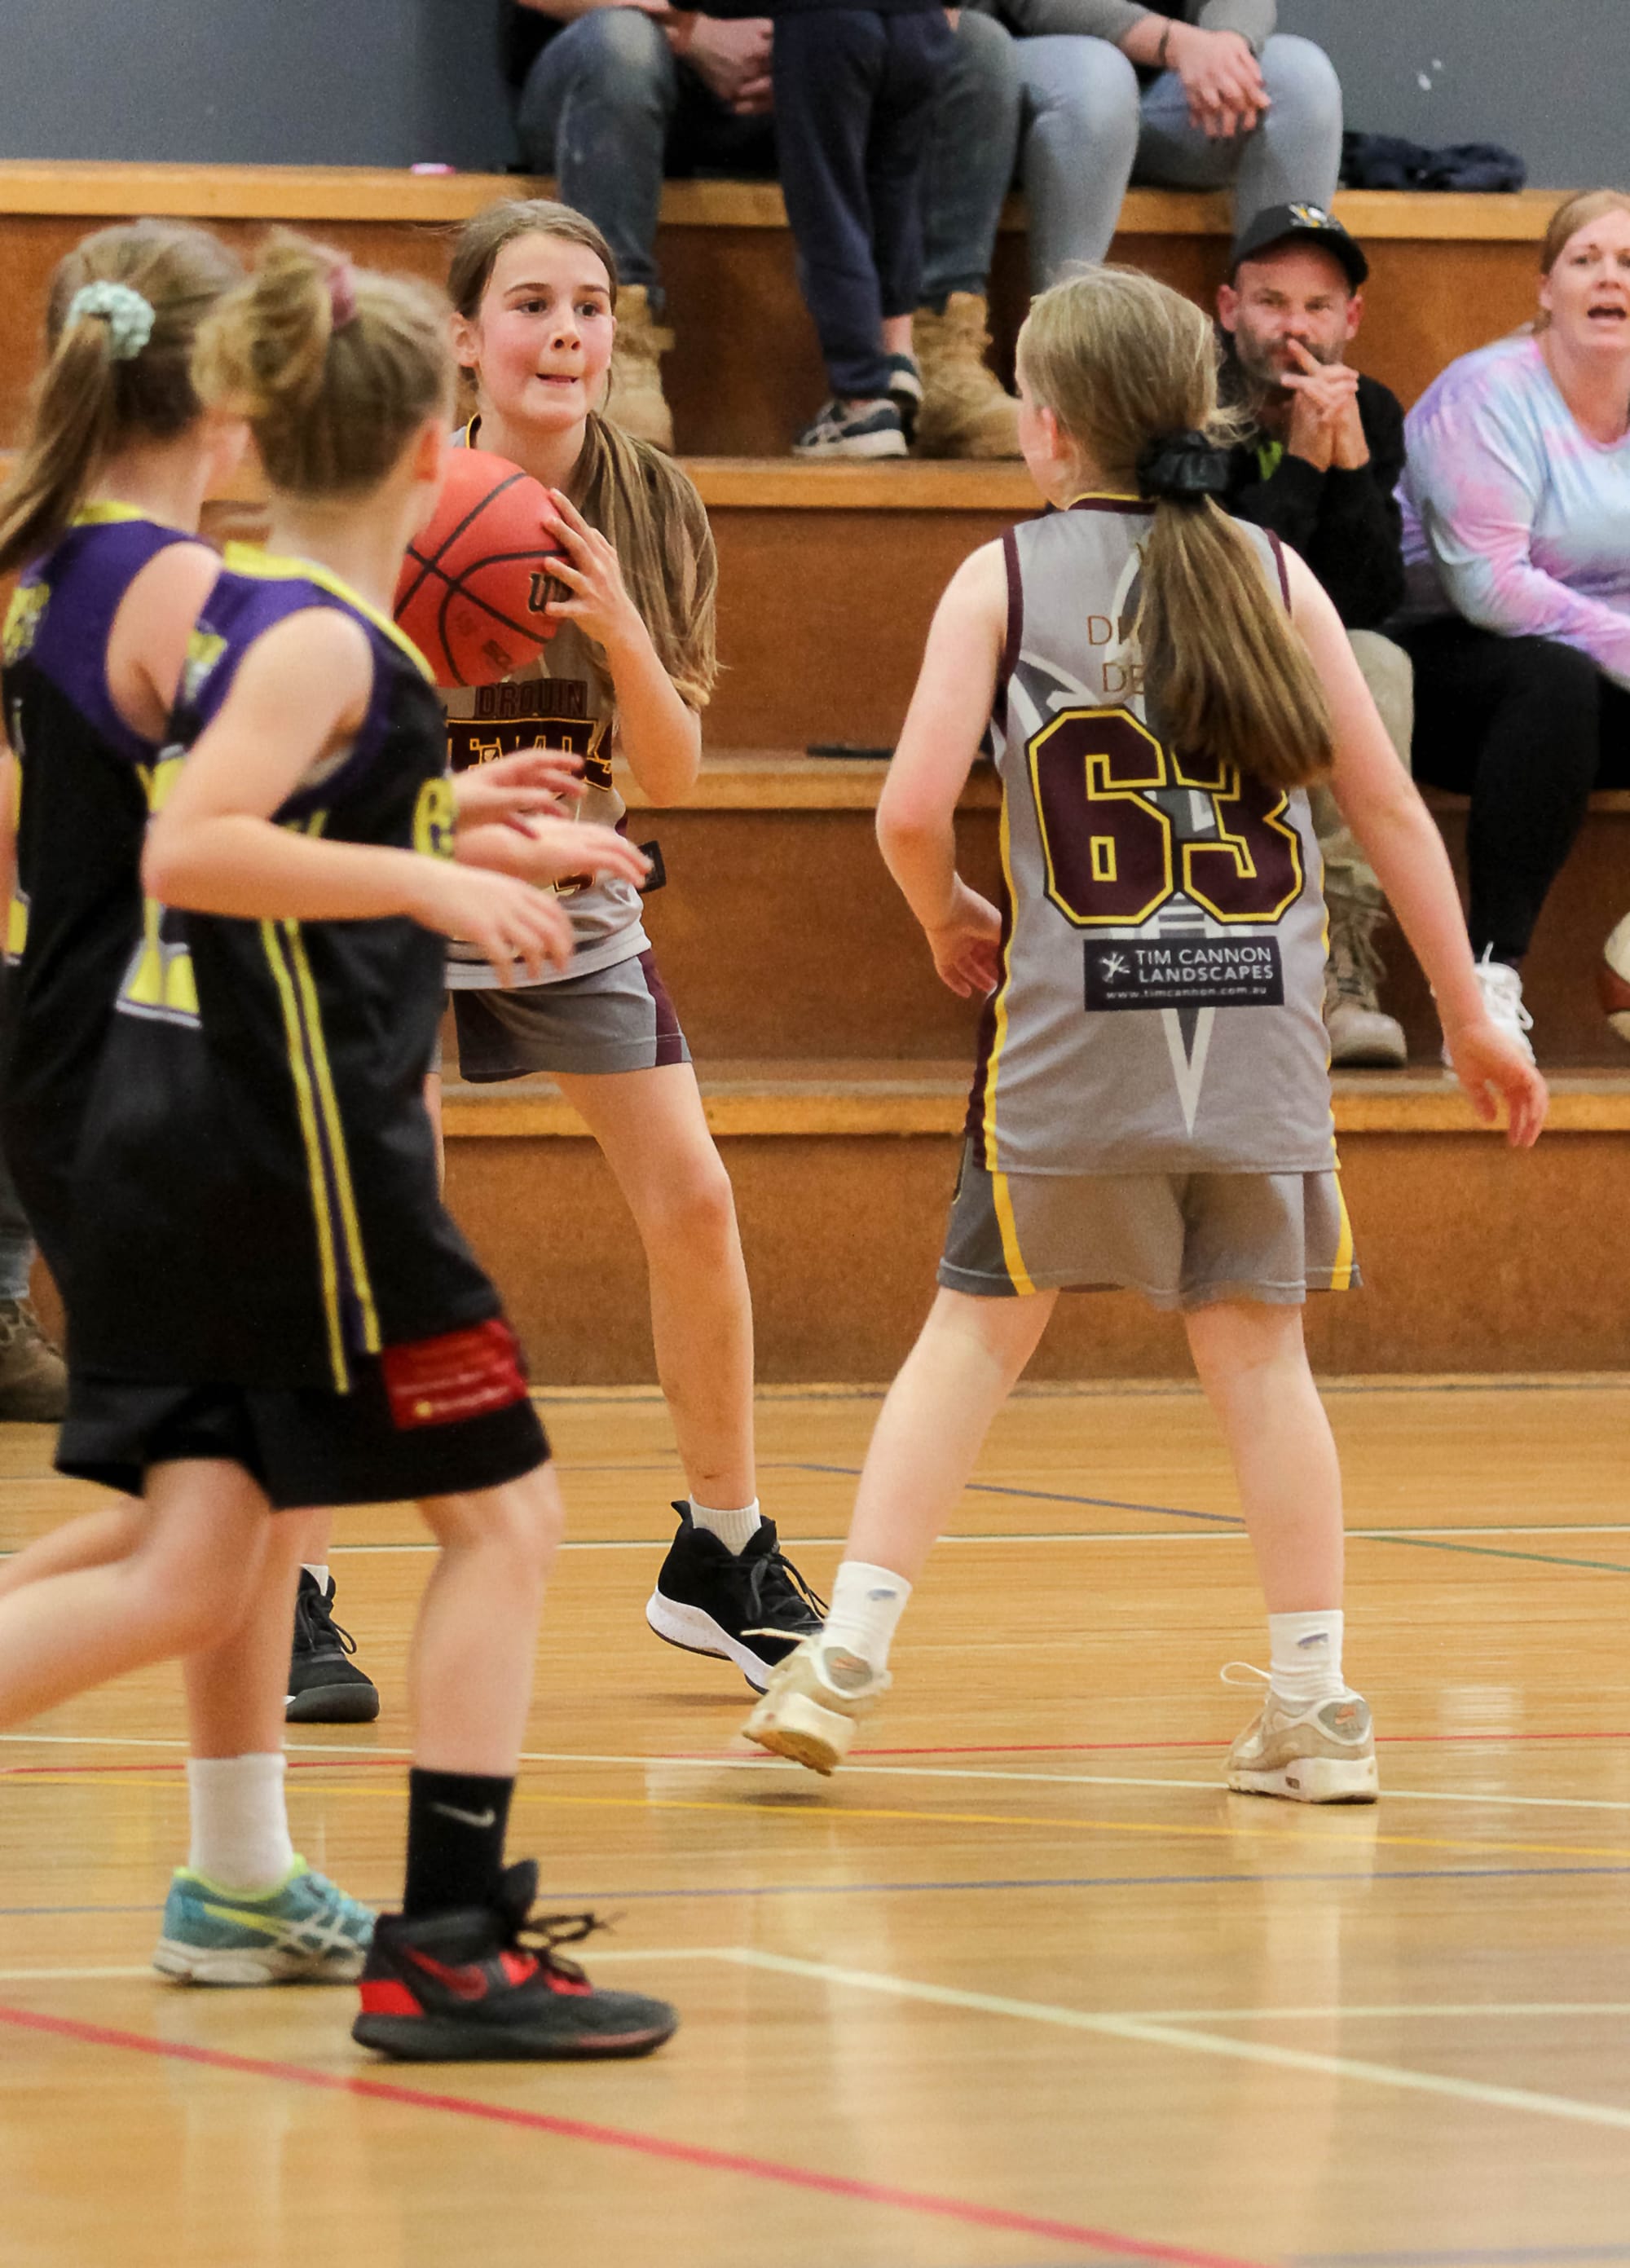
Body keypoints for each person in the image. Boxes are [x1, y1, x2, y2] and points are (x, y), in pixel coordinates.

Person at [0, 229, 679, 2061]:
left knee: (201, 1557)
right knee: (492, 1519)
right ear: (431, 455)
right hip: (281, 1140)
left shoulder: (196, 599)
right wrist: (432, 871)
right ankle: (448, 1941)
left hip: (179, 1108)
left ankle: (327, 1901)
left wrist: (450, 818)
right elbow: (200, 841)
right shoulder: (269, 617)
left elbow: (255, 799)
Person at [740, 266, 1545, 1800]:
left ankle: (842, 1657)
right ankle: (1316, 1704)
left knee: (975, 1332)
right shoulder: (1274, 571)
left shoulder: (1003, 574)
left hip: (1075, 1037)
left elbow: (908, 811)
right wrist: (1468, 1009)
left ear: (1045, 427)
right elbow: (1387, 806)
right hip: (1258, 1038)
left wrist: (946, 911)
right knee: (1262, 1362)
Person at [0, 216, 372, 1984]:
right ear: (228, 390)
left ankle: (240, 1871)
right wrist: (436, 860)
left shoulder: (57, 557)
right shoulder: (170, 586)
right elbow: (224, 841)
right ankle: (236, 1870)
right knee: (203, 1550)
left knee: (237, 1499)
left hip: (98, 1054)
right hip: (143, 1076)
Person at [440, 197, 826, 1692]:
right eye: (531, 305)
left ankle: (722, 1549)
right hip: (399, 890)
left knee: (697, 1200)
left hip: (582, 904)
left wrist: (617, 631)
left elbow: (671, 773)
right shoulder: (403, 491)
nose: (566, 334)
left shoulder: (651, 500)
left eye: (591, 307)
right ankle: (301, 1577)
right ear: (466, 337)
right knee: (371, 1223)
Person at [1396, 188, 1630, 1061]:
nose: (1610, 278)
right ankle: (1486, 979)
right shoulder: (1487, 392)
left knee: (1569, 679)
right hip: (1443, 671)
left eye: (1629, 263)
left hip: (1592, 678)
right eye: (1586, 260)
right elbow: (1489, 589)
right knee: (1552, 678)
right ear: (1544, 289)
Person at [1215, 201, 1414, 1068]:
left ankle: (1341, 964)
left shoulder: (1372, 409)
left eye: (1317, 306)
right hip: (1191, 649)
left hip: (1311, 661)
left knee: (1377, 662)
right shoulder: (1187, 399)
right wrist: (1300, 462)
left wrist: (1352, 465)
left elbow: (1370, 600)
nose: (1293, 327)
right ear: (1228, 308)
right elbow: (1230, 593)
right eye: (1271, 302)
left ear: (1350, 318)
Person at [502, 0, 778, 449]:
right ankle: (614, 344)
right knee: (623, 43)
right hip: (596, 74)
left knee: (876, 43)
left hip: (770, 77)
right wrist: (691, 31)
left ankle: (888, 369)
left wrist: (801, 50)